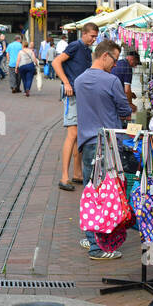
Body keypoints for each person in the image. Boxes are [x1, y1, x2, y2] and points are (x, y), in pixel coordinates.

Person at [74, 39, 132, 259]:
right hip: (108, 143)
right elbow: (125, 109)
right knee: (108, 193)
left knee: (92, 191)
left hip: (88, 142)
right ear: (104, 55)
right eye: (114, 59)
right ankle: (97, 245)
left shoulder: (79, 81)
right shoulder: (111, 81)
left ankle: (91, 237)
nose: (115, 64)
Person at [53, 21, 97, 192]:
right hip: (72, 96)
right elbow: (56, 62)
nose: (94, 39)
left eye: (95, 36)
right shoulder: (75, 46)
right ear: (84, 34)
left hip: (81, 96)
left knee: (78, 135)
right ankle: (64, 176)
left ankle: (77, 173)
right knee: (72, 135)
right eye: (92, 36)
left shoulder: (87, 50)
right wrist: (66, 83)